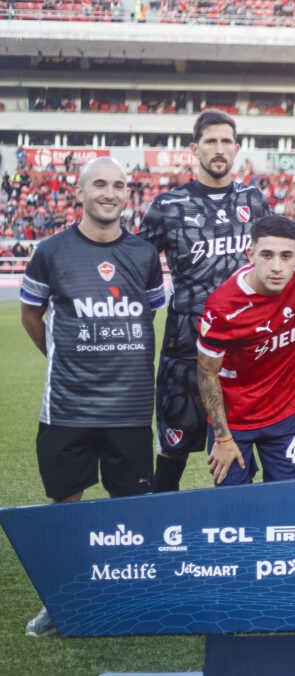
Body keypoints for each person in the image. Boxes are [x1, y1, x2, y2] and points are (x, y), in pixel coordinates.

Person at [20, 157, 165, 637]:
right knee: (67, 504)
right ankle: (62, 601)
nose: (110, 192)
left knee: (130, 511)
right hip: (67, 408)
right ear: (79, 191)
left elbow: (148, 317)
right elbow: (31, 317)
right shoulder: (50, 251)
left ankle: (126, 595)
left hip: (130, 411)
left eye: (119, 185)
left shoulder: (144, 255)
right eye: (99, 183)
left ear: (129, 195)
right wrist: (64, 358)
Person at [139, 110, 270, 492]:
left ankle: (235, 533)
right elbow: (135, 264)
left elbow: (281, 253)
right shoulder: (168, 206)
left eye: (226, 141)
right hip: (185, 350)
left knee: (241, 453)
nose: (219, 149)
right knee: (172, 452)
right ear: (194, 149)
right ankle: (160, 531)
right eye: (210, 141)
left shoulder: (253, 200)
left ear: (237, 149)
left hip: (244, 353)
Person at [196, 216, 295, 485]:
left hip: (286, 414)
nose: (277, 266)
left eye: (286, 256)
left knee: (288, 500)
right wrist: (222, 437)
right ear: (251, 255)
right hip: (235, 421)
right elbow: (206, 375)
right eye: (267, 255)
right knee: (234, 505)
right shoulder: (223, 307)